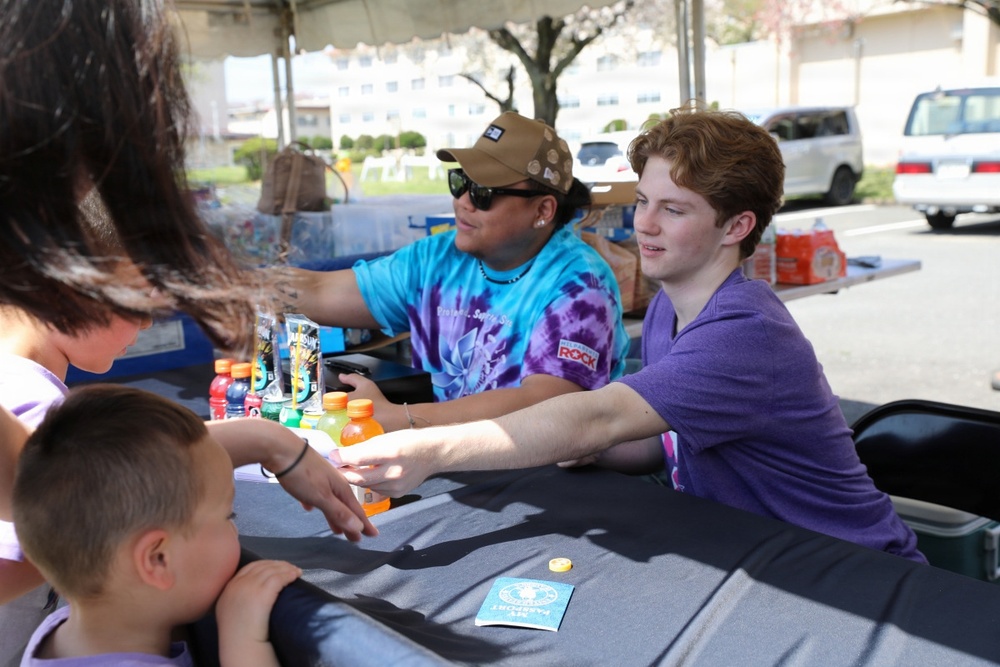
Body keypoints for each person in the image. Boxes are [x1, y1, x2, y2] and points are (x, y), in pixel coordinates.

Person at [331, 105, 926, 563]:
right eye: (643, 200)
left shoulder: (745, 333)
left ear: (737, 226)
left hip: (850, 566)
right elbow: (657, 441)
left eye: (674, 209)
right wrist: (594, 448)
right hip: (759, 553)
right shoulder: (673, 306)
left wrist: (428, 448)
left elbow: (599, 414)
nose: (643, 223)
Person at [0, 0, 375, 618]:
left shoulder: (29, 392)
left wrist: (267, 440)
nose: (150, 323)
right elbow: (73, 512)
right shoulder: (34, 403)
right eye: (140, 299)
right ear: (72, 275)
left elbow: (97, 478)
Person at [270, 111, 630, 432]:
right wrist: (225, 289)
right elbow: (317, 290)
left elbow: (546, 406)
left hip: (540, 480)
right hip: (447, 461)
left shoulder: (580, 285)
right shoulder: (436, 258)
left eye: (483, 192)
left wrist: (403, 418)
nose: (462, 200)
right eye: (461, 181)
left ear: (543, 210)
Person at [14, 385, 303, 666]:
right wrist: (242, 640)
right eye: (229, 517)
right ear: (158, 559)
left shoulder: (60, 629)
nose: (236, 532)